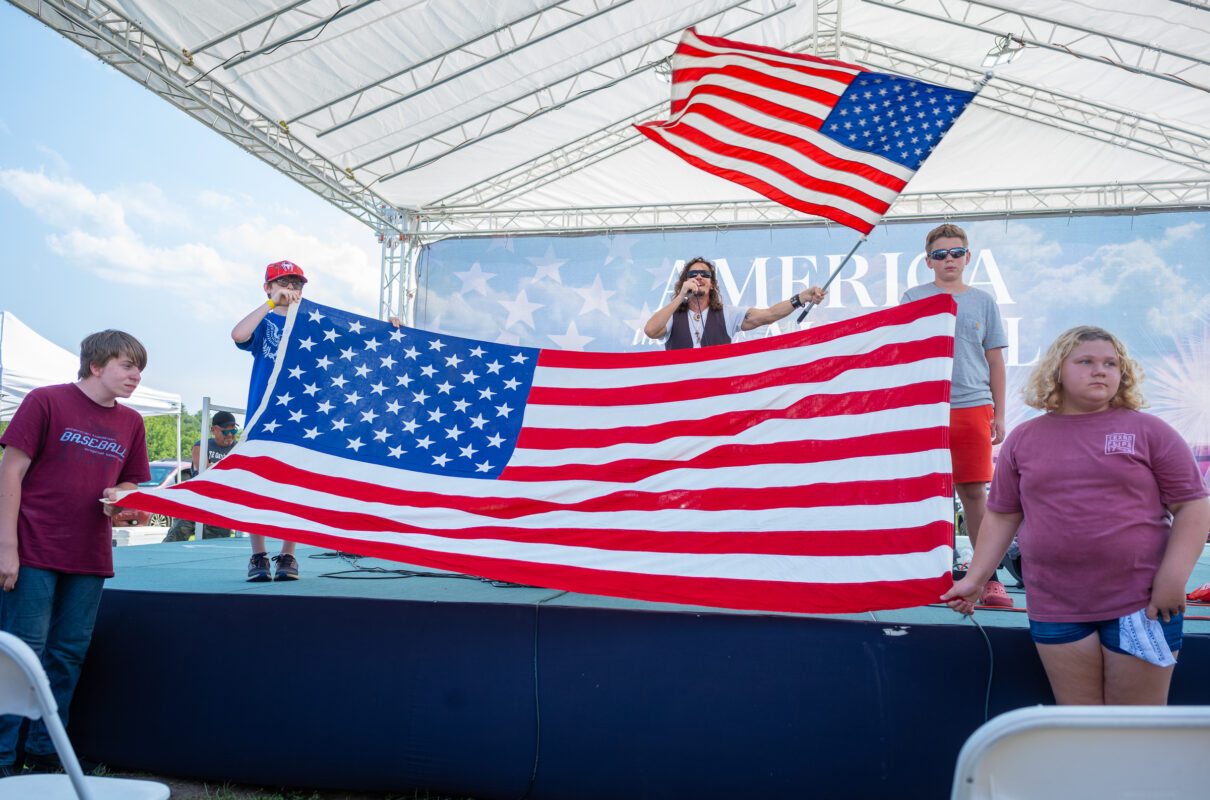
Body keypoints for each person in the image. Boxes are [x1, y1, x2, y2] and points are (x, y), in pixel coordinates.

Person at [942, 326, 1210, 705]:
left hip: (1142, 603)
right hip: (1055, 605)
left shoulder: (1150, 431)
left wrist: (1173, 578)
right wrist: (976, 577)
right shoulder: (1024, 438)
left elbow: (1194, 507)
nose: (1100, 370)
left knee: (1135, 730)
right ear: (1057, 371)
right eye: (1085, 361)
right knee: (1080, 723)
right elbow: (1003, 515)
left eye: (1110, 363)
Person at [0, 330, 150, 775]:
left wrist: (122, 499)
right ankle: (4, 758)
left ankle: (46, 753)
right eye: (127, 365)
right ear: (96, 366)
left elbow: (131, 486)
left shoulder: (132, 423)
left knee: (67, 654)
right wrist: (7, 547)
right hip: (32, 549)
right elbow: (10, 474)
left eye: (139, 368)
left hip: (89, 555)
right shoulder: (45, 401)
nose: (136, 375)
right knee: (21, 654)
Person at [900, 224, 1011, 607]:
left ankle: (987, 578)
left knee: (974, 494)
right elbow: (903, 353)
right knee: (931, 493)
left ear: (968, 257)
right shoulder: (913, 297)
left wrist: (999, 412)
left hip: (973, 406)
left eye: (956, 252)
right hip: (927, 408)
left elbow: (995, 360)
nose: (949, 259)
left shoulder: (983, 301)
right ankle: (935, 572)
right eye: (940, 254)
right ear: (928, 260)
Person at [232, 260, 308, 582]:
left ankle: (288, 554)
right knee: (257, 486)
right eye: (283, 283)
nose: (291, 290)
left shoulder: (310, 325)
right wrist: (270, 304)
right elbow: (238, 334)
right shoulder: (264, 321)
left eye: (296, 284)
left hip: (301, 419)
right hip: (263, 419)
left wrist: (391, 329)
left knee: (295, 486)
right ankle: (258, 555)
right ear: (268, 287)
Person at [643, 257, 827, 350]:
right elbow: (651, 330)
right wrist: (682, 295)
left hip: (717, 395)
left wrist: (801, 298)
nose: (699, 277)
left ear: (713, 284)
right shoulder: (672, 317)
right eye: (692, 275)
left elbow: (768, 315)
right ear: (684, 282)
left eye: (705, 274)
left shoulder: (727, 314)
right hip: (680, 396)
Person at [161, 410, 239, 542]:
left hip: (220, 506)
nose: (230, 435)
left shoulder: (238, 448)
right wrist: (228, 470)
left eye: (234, 431)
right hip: (194, 501)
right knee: (175, 539)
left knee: (216, 545)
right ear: (213, 430)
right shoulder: (201, 446)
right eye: (225, 431)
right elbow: (204, 470)